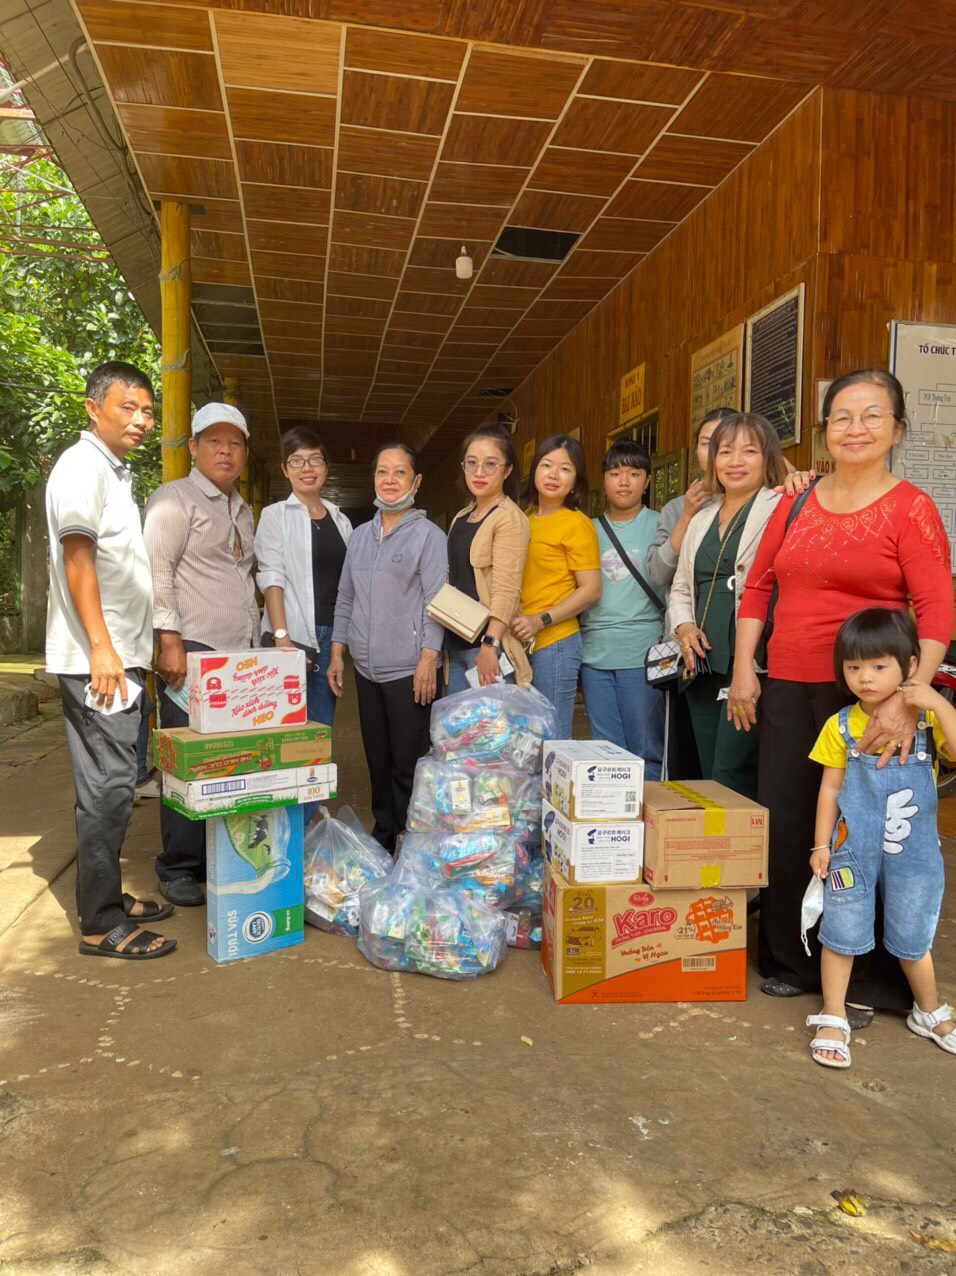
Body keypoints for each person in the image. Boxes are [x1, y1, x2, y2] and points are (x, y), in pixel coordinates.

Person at [729, 369, 953, 1011]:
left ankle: (872, 977)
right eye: (842, 416)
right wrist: (747, 665)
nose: (855, 428)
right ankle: (791, 959)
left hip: (871, 694)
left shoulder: (910, 506)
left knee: (874, 835)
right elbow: (760, 586)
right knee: (793, 818)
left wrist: (908, 695)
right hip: (790, 683)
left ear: (896, 429)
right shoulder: (793, 500)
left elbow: (936, 607)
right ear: (823, 427)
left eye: (872, 415)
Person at [45, 361, 174, 959]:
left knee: (118, 784)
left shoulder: (111, 472)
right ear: (94, 407)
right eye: (129, 408)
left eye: (148, 411)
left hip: (119, 655)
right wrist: (101, 645)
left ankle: (109, 899)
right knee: (107, 788)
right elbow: (77, 559)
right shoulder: (81, 468)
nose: (142, 420)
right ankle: (100, 923)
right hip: (103, 658)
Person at [805, 609, 955, 1067]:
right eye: (854, 667)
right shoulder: (842, 725)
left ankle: (928, 1010)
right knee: (841, 929)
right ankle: (833, 1013)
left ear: (910, 666)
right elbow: (830, 788)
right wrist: (820, 844)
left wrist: (940, 703)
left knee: (914, 934)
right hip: (852, 852)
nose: (865, 678)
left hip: (915, 856)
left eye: (878, 666)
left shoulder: (928, 723)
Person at [144, 402, 259, 907]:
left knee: (227, 763)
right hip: (192, 651)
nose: (225, 451)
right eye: (214, 441)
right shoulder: (175, 498)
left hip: (238, 659)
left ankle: (217, 859)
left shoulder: (241, 506)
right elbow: (157, 571)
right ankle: (178, 865)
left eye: (234, 443)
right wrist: (169, 643)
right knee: (187, 763)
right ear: (193, 447)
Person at [328, 444, 447, 852]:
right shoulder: (360, 536)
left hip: (408, 668)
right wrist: (338, 651)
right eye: (382, 472)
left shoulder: (429, 537)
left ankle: (413, 842)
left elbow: (437, 601)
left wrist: (428, 659)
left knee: (408, 765)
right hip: (366, 668)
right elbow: (345, 597)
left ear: (416, 481)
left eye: (400, 472)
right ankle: (384, 837)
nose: (390, 480)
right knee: (377, 763)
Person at [667, 412, 786, 799]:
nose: (735, 461)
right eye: (725, 451)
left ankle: (744, 854)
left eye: (749, 451)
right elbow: (681, 588)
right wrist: (683, 627)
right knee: (706, 771)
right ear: (712, 461)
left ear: (768, 459)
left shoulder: (781, 507)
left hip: (751, 661)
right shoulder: (701, 519)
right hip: (702, 663)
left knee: (732, 770)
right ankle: (715, 854)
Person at [255, 427, 352, 730]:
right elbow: (271, 576)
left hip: (331, 636)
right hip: (291, 635)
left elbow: (347, 587)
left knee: (320, 729)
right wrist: (281, 636)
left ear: (326, 467)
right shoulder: (275, 515)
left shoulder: (341, 520)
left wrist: (338, 649)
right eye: (297, 461)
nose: (307, 468)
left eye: (315, 460)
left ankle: (316, 780)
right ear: (285, 469)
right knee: (284, 728)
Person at [579, 440, 665, 776]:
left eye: (634, 473)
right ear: (604, 480)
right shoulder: (587, 529)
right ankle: (617, 827)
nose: (624, 481)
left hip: (643, 654)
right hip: (595, 657)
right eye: (615, 473)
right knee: (606, 751)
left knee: (646, 747)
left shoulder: (663, 523)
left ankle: (651, 824)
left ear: (647, 480)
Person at [513, 435, 601, 739]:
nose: (553, 475)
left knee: (550, 737)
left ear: (576, 481)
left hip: (555, 644)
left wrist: (541, 619)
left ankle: (551, 790)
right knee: (523, 739)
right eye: (546, 465)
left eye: (565, 469)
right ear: (534, 471)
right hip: (519, 642)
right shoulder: (523, 519)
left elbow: (590, 590)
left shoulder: (577, 524)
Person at [443, 425, 530, 694]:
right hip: (456, 643)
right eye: (472, 463)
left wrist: (490, 644)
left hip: (485, 648)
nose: (479, 472)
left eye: (490, 464)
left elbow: (506, 589)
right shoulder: (462, 515)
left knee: (486, 735)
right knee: (456, 734)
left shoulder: (509, 518)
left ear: (507, 470)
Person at [645, 406, 732, 590]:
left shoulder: (763, 500)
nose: (714, 451)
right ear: (696, 451)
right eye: (706, 443)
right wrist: (686, 516)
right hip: (687, 616)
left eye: (724, 443)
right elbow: (657, 575)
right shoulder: (676, 508)